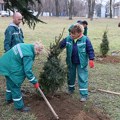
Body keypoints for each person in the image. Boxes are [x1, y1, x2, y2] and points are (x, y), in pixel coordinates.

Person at [0, 42, 43, 112]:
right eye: (38, 53)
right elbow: (28, 71)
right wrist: (35, 82)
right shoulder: (28, 55)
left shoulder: (26, 46)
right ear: (37, 50)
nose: (37, 55)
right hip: (11, 67)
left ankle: (9, 99)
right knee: (15, 85)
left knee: (10, 82)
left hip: (6, 63)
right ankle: (19, 107)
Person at [60, 23, 95, 102]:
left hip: (81, 63)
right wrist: (54, 51)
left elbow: (90, 50)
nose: (71, 35)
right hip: (71, 62)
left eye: (74, 34)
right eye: (71, 33)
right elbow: (60, 45)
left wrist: (91, 59)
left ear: (79, 33)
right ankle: (70, 89)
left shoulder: (85, 39)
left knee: (82, 78)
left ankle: (83, 95)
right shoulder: (68, 39)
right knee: (70, 76)